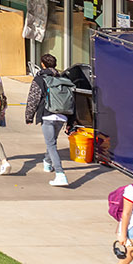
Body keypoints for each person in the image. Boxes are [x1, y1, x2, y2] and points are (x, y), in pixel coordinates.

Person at [25, 52, 75, 187]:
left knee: (51, 144)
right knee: (52, 142)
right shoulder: (64, 80)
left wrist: (29, 116)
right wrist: (70, 122)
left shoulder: (40, 79)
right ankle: (47, 163)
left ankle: (60, 174)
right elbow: (72, 101)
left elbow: (33, 99)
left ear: (42, 64)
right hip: (63, 116)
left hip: (48, 115)